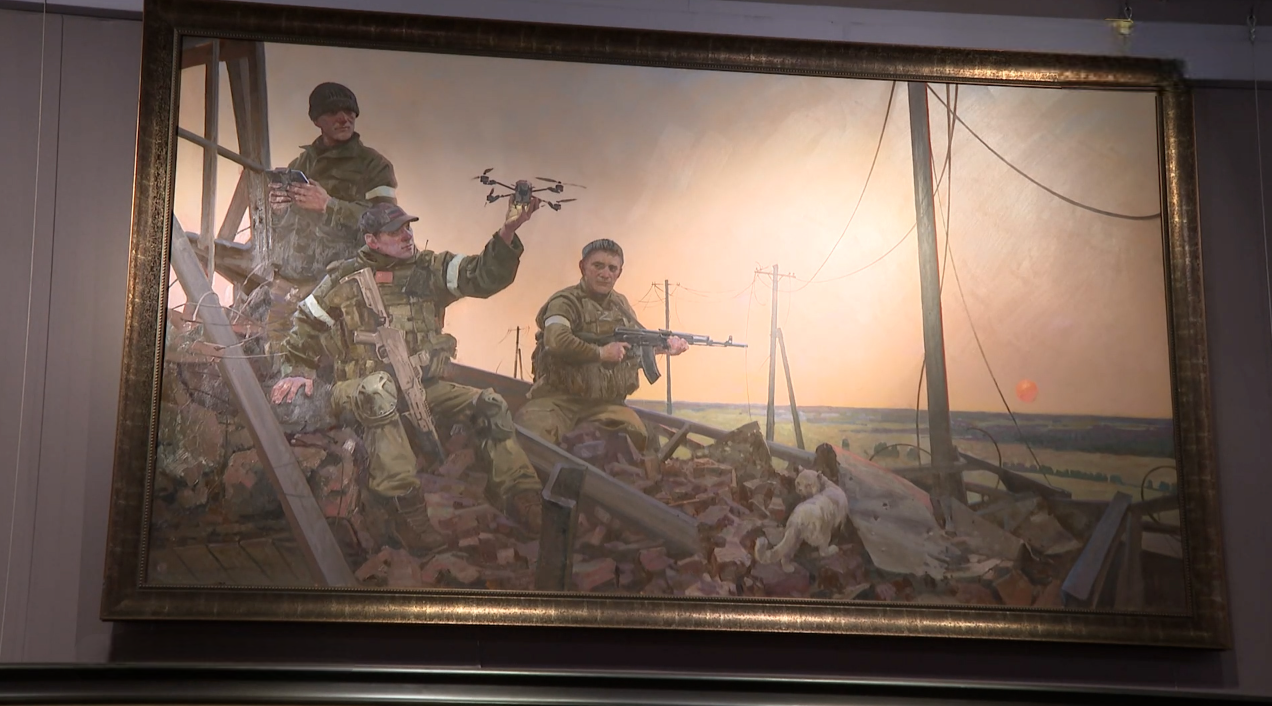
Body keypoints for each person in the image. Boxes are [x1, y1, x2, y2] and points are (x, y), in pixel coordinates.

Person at [270, 199, 545, 552]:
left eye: (408, 227)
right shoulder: (341, 279)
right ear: (372, 240)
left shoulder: (429, 270)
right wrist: (297, 371)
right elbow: (304, 325)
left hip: (421, 387)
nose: (407, 236)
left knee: (490, 404)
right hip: (360, 390)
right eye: (395, 231)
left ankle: (519, 496)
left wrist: (507, 232)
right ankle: (404, 510)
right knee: (379, 391)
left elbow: (482, 275)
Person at [516, 239, 689, 454]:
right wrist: (600, 353)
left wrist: (662, 348)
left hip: (606, 406)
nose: (605, 274)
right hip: (558, 400)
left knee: (635, 435)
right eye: (598, 266)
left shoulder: (621, 306)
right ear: (583, 267)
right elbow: (556, 339)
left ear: (619, 273)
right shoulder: (565, 302)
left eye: (612, 268)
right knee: (531, 434)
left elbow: (631, 350)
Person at [268, 82, 399, 288]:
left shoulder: (374, 165)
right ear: (316, 120)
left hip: (346, 279)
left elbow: (388, 222)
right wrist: (278, 212)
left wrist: (328, 205)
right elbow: (285, 228)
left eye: (349, 111)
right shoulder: (299, 165)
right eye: (332, 112)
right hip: (296, 279)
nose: (344, 119)